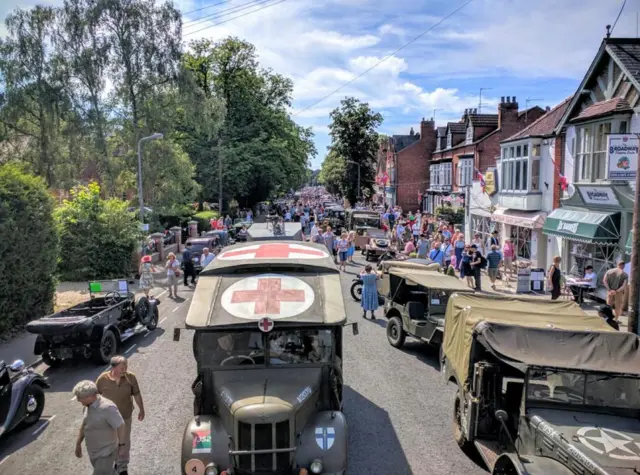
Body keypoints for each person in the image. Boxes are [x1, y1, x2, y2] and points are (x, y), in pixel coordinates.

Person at [96, 356, 145, 475]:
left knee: (124, 442)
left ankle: (122, 467)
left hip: (125, 417)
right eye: (122, 368)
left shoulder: (131, 377)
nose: (125, 370)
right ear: (113, 368)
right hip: (107, 419)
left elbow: (137, 394)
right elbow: (95, 398)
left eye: (126, 367)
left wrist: (141, 409)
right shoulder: (102, 379)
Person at [73, 380, 126, 475]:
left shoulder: (108, 408)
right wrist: (78, 443)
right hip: (94, 453)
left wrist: (122, 446)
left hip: (106, 452)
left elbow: (120, 425)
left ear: (90, 396)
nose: (78, 400)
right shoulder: (86, 407)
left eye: (80, 397)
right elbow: (85, 424)